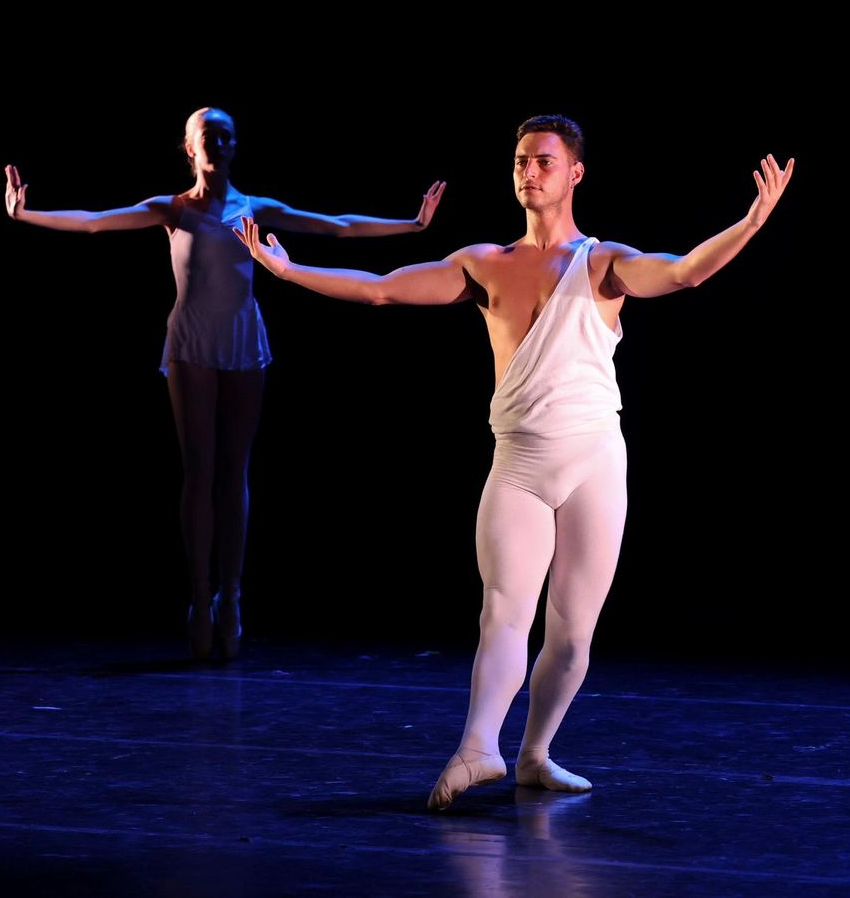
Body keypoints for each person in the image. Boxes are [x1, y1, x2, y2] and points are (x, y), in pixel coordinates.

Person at [234, 115, 792, 808]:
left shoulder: (601, 262)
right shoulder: (484, 262)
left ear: (575, 174)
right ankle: (478, 747)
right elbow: (381, 287)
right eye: (522, 161)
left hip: (593, 461)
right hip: (520, 464)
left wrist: (750, 222)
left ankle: (535, 753)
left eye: (545, 162)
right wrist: (288, 269)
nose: (530, 172)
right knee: (501, 611)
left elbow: (682, 273)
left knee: (572, 632)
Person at [7, 106, 444, 659]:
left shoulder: (253, 209)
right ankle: (197, 594)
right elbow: (96, 220)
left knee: (233, 471)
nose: (215, 141)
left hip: (241, 338)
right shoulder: (173, 209)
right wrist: (27, 215)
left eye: (224, 134)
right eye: (204, 135)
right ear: (188, 148)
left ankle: (231, 596)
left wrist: (412, 225)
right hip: (191, 341)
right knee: (199, 469)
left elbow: (334, 225)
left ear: (234, 146)